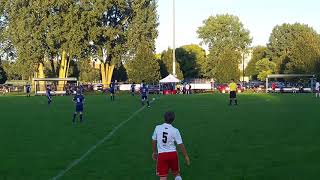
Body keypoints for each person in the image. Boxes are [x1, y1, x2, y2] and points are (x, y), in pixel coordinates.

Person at [152, 111, 190, 180]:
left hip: (162, 155)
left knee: (163, 177)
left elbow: (154, 141)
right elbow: (180, 145)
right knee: (176, 173)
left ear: (164, 118)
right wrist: (186, 156)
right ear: (173, 119)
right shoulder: (175, 130)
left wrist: (154, 152)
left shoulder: (157, 128)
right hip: (173, 154)